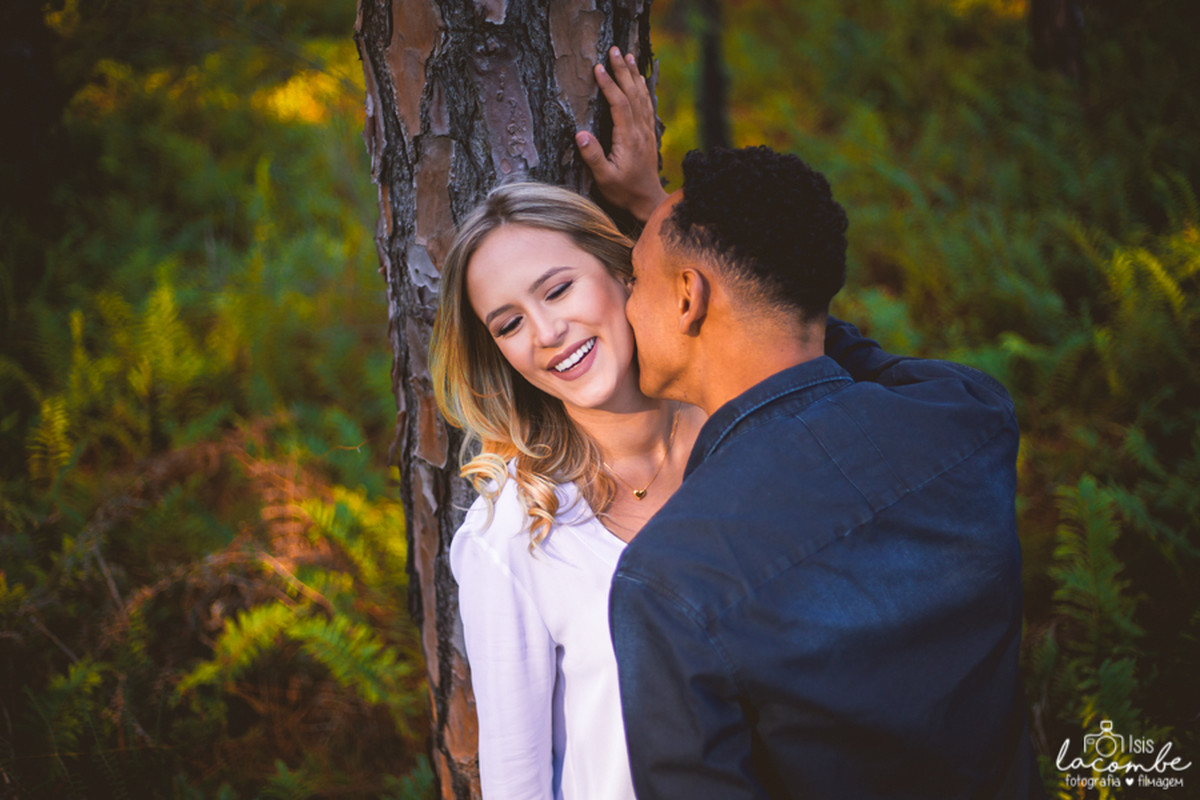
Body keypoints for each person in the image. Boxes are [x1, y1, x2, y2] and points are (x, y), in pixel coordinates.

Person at [609, 145, 1043, 798]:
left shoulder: (671, 580)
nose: (624, 306)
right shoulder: (970, 417)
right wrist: (678, 233)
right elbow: (807, 329)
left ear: (687, 297)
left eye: (634, 279)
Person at [428, 49, 697, 800]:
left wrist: (654, 204)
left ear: (620, 269)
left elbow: (816, 355)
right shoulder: (514, 534)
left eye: (559, 287)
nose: (546, 332)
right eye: (510, 322)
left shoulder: (743, 433)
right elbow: (517, 785)